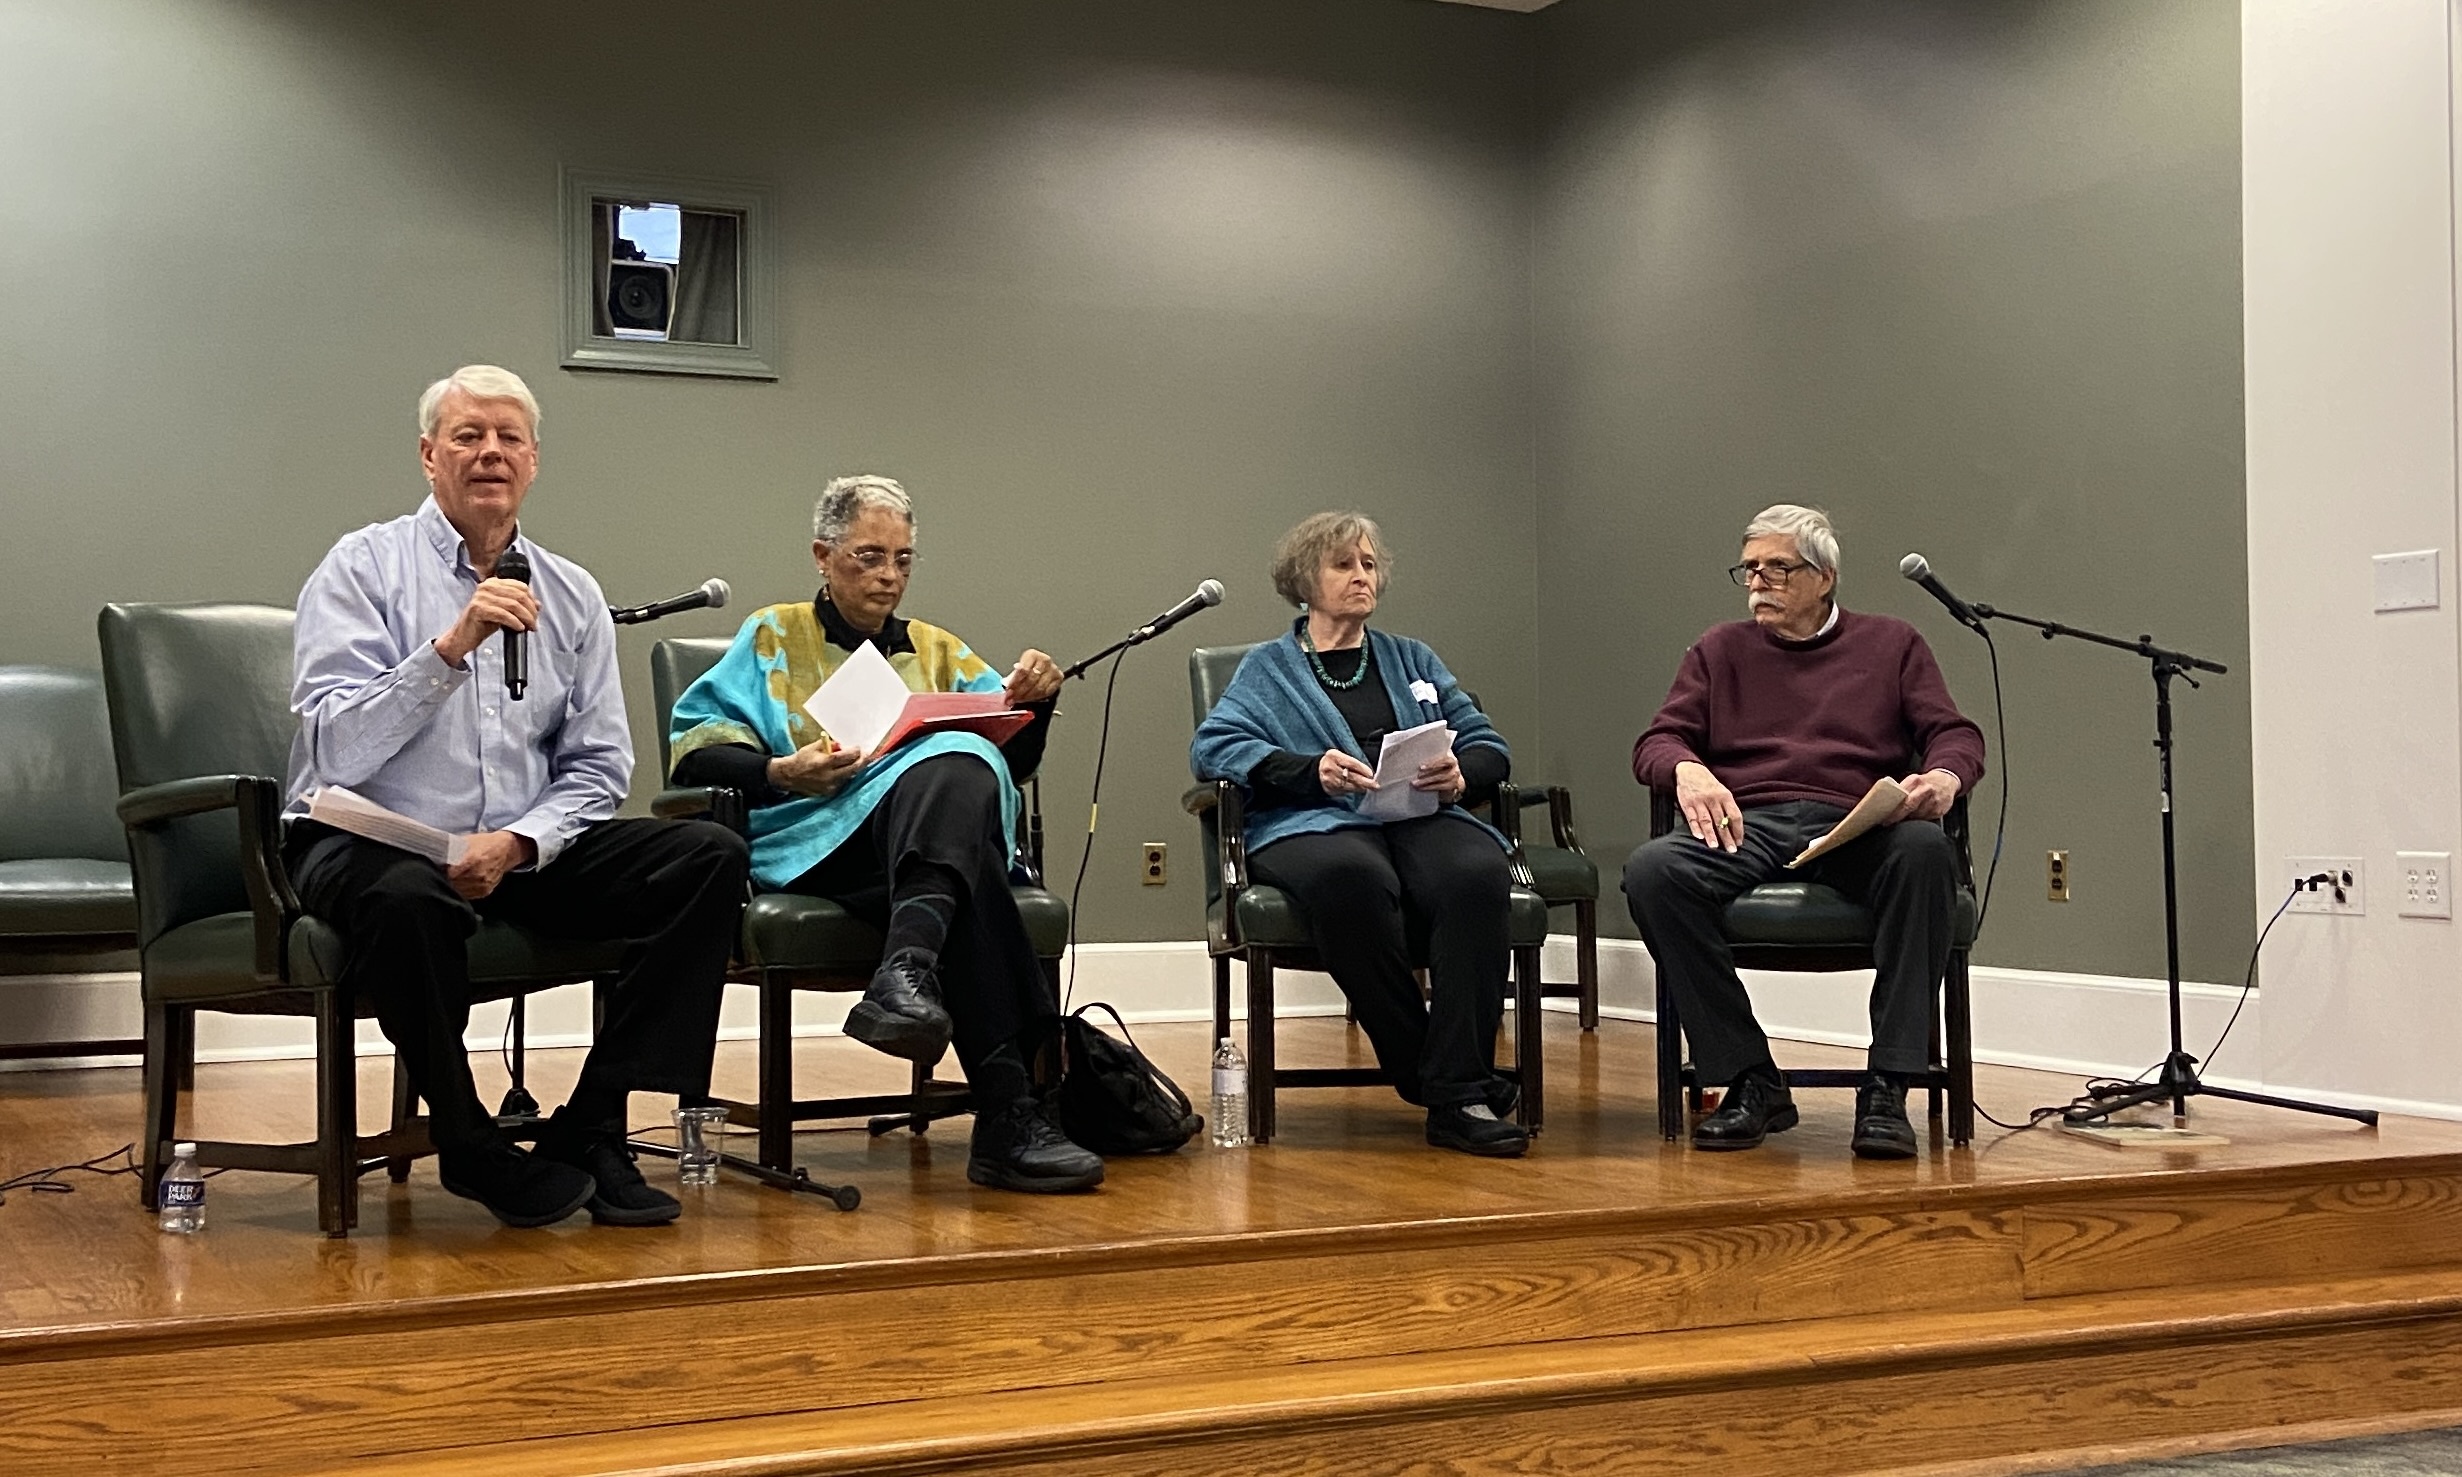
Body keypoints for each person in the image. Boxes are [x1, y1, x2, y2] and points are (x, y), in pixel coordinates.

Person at [284, 365, 750, 1229]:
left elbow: (601, 764)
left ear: (534, 460)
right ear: (429, 456)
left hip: (512, 845)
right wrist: (449, 648)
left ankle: (589, 1124)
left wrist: (523, 842)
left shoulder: (571, 593)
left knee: (707, 856)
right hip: (371, 839)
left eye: (508, 437)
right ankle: (467, 1142)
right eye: (468, 436)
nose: (489, 451)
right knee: (404, 898)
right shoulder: (363, 566)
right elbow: (332, 747)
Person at [665, 474, 1103, 1194]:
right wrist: (782, 767)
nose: (888, 575)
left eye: (902, 559)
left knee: (962, 774)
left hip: (910, 851)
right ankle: (1009, 1115)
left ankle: (907, 974)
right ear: (822, 554)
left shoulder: (938, 649)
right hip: (813, 843)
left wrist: (1040, 706)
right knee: (962, 833)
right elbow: (698, 748)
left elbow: (1011, 760)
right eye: (869, 556)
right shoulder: (773, 633)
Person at [1623, 504, 1983, 1160]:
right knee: (1653, 871)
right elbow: (1658, 740)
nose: (1759, 582)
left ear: (1825, 576)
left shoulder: (1893, 644)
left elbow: (1954, 733)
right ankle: (1750, 1077)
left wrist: (1946, 778)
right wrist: (1687, 770)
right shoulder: (1717, 650)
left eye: (1777, 568)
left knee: (1926, 852)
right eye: (1750, 569)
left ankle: (1887, 1082)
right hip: (1750, 822)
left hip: (1858, 823)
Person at [1191, 512, 1527, 1157]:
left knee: (1475, 873)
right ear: (1303, 581)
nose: (1361, 577)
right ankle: (1445, 1082)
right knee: (1351, 878)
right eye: (1344, 564)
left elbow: (1488, 744)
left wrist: (1461, 774)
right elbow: (1215, 749)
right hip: (1312, 820)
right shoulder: (1267, 669)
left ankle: (1452, 1088)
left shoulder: (1411, 658)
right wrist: (1309, 771)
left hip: (1419, 813)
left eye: (1369, 564)